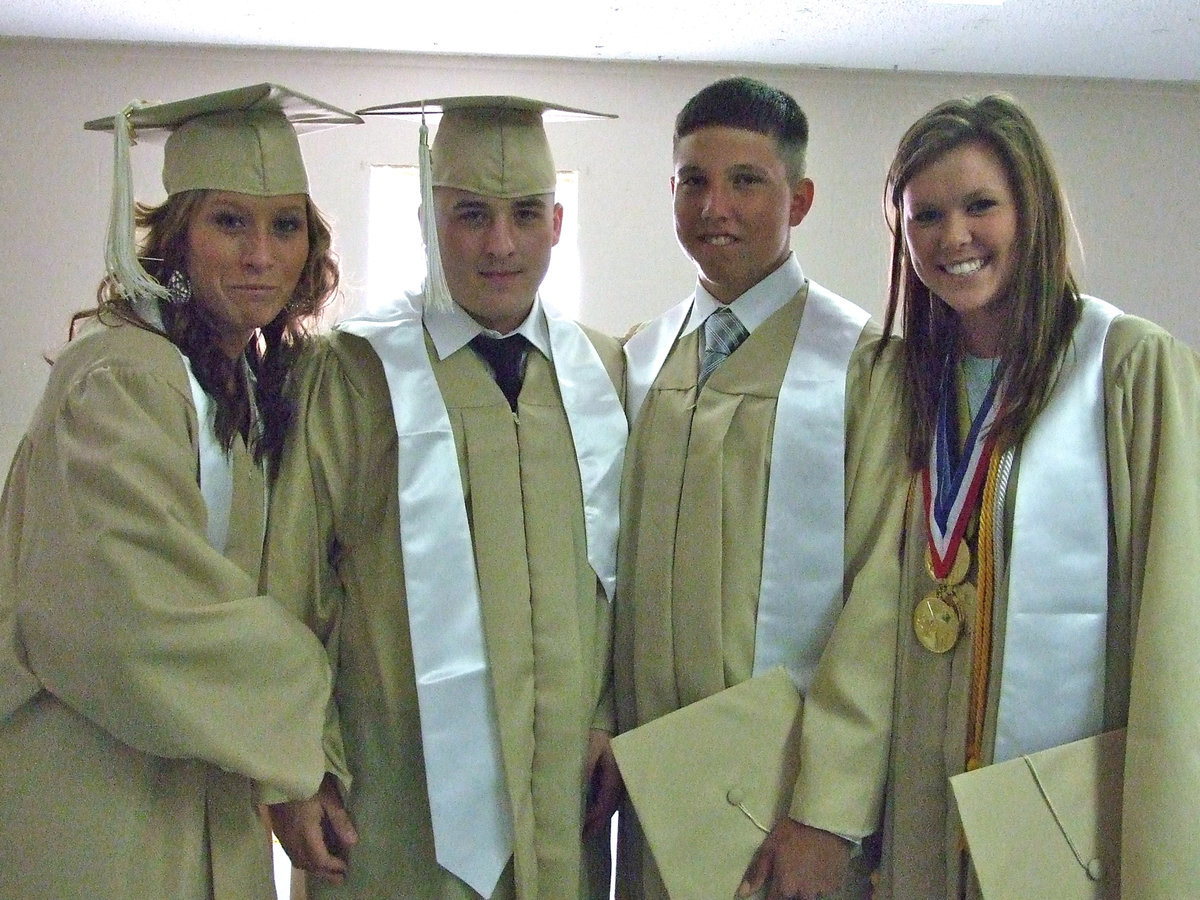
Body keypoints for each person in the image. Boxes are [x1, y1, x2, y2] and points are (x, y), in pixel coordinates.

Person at [0, 83, 359, 898]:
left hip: (188, 782)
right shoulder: (122, 375)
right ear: (177, 237)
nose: (261, 254)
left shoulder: (228, 380)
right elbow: (130, 612)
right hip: (96, 791)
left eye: (285, 225)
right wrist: (309, 701)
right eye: (229, 221)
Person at [265, 96, 627, 899]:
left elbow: (614, 576)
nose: (500, 244)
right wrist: (298, 766)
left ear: (556, 224)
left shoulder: (601, 372)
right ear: (429, 220)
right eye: (470, 214)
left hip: (559, 785)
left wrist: (605, 713)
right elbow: (291, 586)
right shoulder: (352, 371)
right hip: (393, 791)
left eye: (525, 214)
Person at [841, 92, 1198, 898]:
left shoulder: (1127, 369)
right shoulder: (900, 382)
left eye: (980, 206)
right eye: (925, 214)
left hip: (1069, 812)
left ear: (1031, 211)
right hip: (923, 814)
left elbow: (1176, 631)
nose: (953, 237)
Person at [614, 76, 908, 900]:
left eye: (747, 181)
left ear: (801, 199)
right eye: (694, 182)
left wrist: (828, 813)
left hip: (786, 800)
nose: (716, 206)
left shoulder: (863, 368)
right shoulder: (639, 361)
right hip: (653, 784)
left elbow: (880, 601)